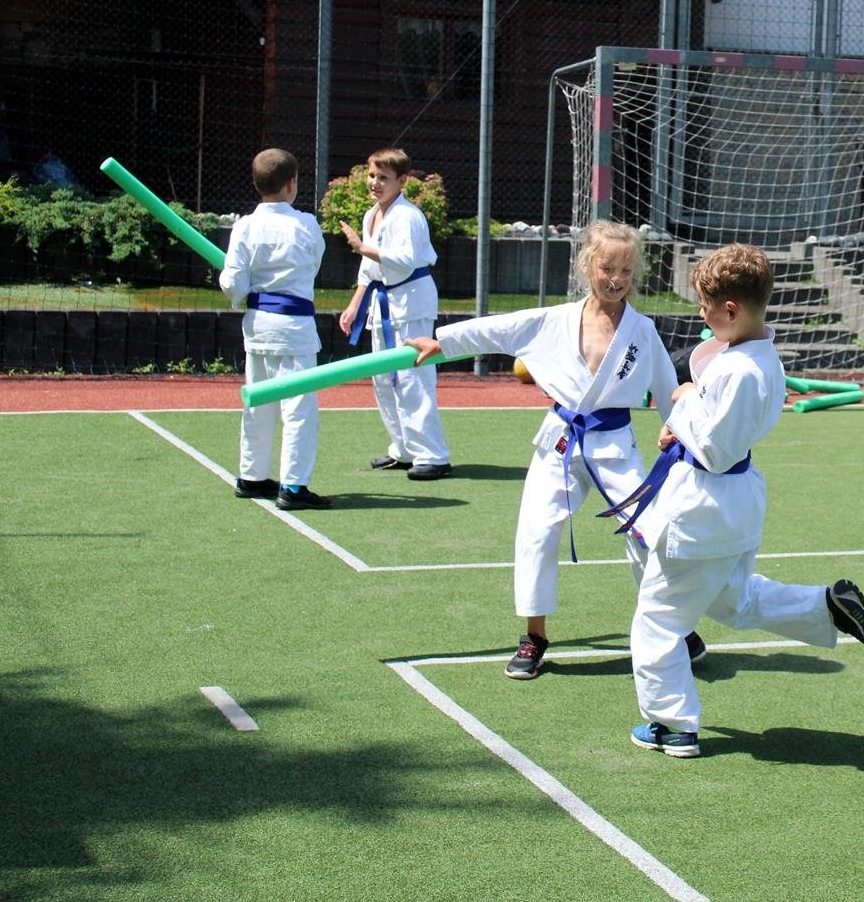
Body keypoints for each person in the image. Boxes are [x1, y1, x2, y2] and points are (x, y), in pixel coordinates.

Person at [612, 243, 864, 758]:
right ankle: (825, 607)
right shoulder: (754, 354)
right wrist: (685, 422)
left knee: (658, 619)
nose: (700, 314)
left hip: (705, 507)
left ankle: (673, 724)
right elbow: (718, 427)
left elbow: (717, 450)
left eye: (705, 306)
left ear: (730, 309)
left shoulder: (743, 370)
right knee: (734, 601)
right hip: (729, 509)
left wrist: (682, 405)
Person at [406, 221, 682, 679]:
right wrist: (444, 342)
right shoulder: (554, 321)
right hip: (560, 439)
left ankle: (671, 629)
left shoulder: (643, 330)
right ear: (587, 265)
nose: (615, 279)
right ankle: (534, 636)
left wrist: (676, 429)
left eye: (625, 270)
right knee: (536, 530)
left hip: (616, 444)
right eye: (607, 267)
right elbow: (499, 329)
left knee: (648, 532)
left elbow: (668, 389)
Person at [219, 148, 330, 511]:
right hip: (295, 326)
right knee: (299, 408)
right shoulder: (306, 225)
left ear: (256, 184)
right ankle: (293, 486)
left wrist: (239, 296)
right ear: (291, 184)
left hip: (258, 324)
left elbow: (234, 282)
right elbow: (313, 265)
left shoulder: (245, 226)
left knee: (259, 402)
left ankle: (252, 476)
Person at [337, 147, 452, 481]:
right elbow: (368, 268)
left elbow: (404, 260)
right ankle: (404, 449)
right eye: (372, 175)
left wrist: (363, 247)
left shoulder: (408, 216)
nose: (375, 183)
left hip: (411, 303)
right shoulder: (371, 214)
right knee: (384, 379)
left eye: (383, 178)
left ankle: (433, 455)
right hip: (383, 303)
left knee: (413, 379)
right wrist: (355, 304)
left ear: (402, 181)